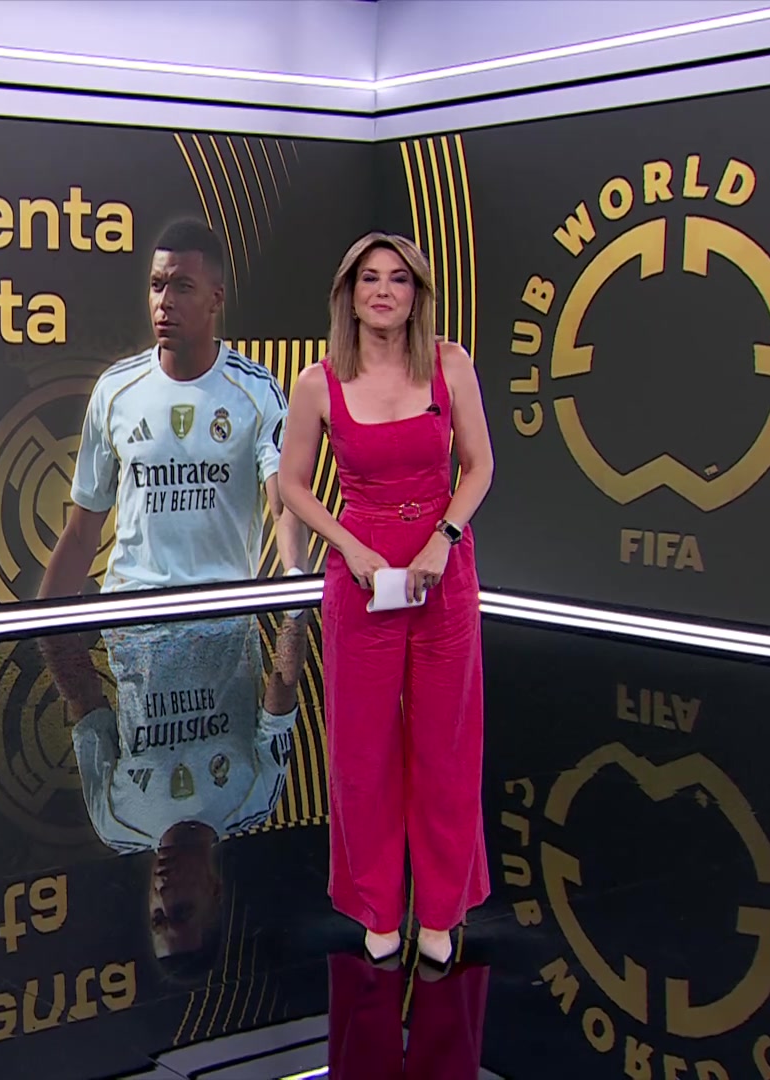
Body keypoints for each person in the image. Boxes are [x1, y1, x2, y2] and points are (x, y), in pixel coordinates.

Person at [276, 232, 495, 968]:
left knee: (445, 745)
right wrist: (351, 546)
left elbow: (479, 466)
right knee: (363, 749)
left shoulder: (451, 364)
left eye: (398, 279)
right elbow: (293, 485)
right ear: (348, 294)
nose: (383, 291)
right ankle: (376, 906)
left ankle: (440, 911)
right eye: (369, 279)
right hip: (361, 573)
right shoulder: (317, 382)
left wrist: (443, 538)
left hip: (442, 570)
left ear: (416, 294)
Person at [40, 219, 305, 599]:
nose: (165, 302)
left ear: (216, 299)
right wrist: (41, 624)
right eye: (157, 285)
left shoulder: (256, 391)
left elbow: (284, 506)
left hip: (223, 615)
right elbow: (82, 533)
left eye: (183, 287)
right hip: (132, 616)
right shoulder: (115, 391)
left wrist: (295, 585)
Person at [48, 612, 309, 975]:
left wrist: (51, 619)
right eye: (182, 910)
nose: (164, 895)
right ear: (215, 892)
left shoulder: (114, 822)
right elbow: (283, 684)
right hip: (218, 600)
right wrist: (295, 613)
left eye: (158, 916)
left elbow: (82, 696)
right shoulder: (254, 799)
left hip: (134, 602)